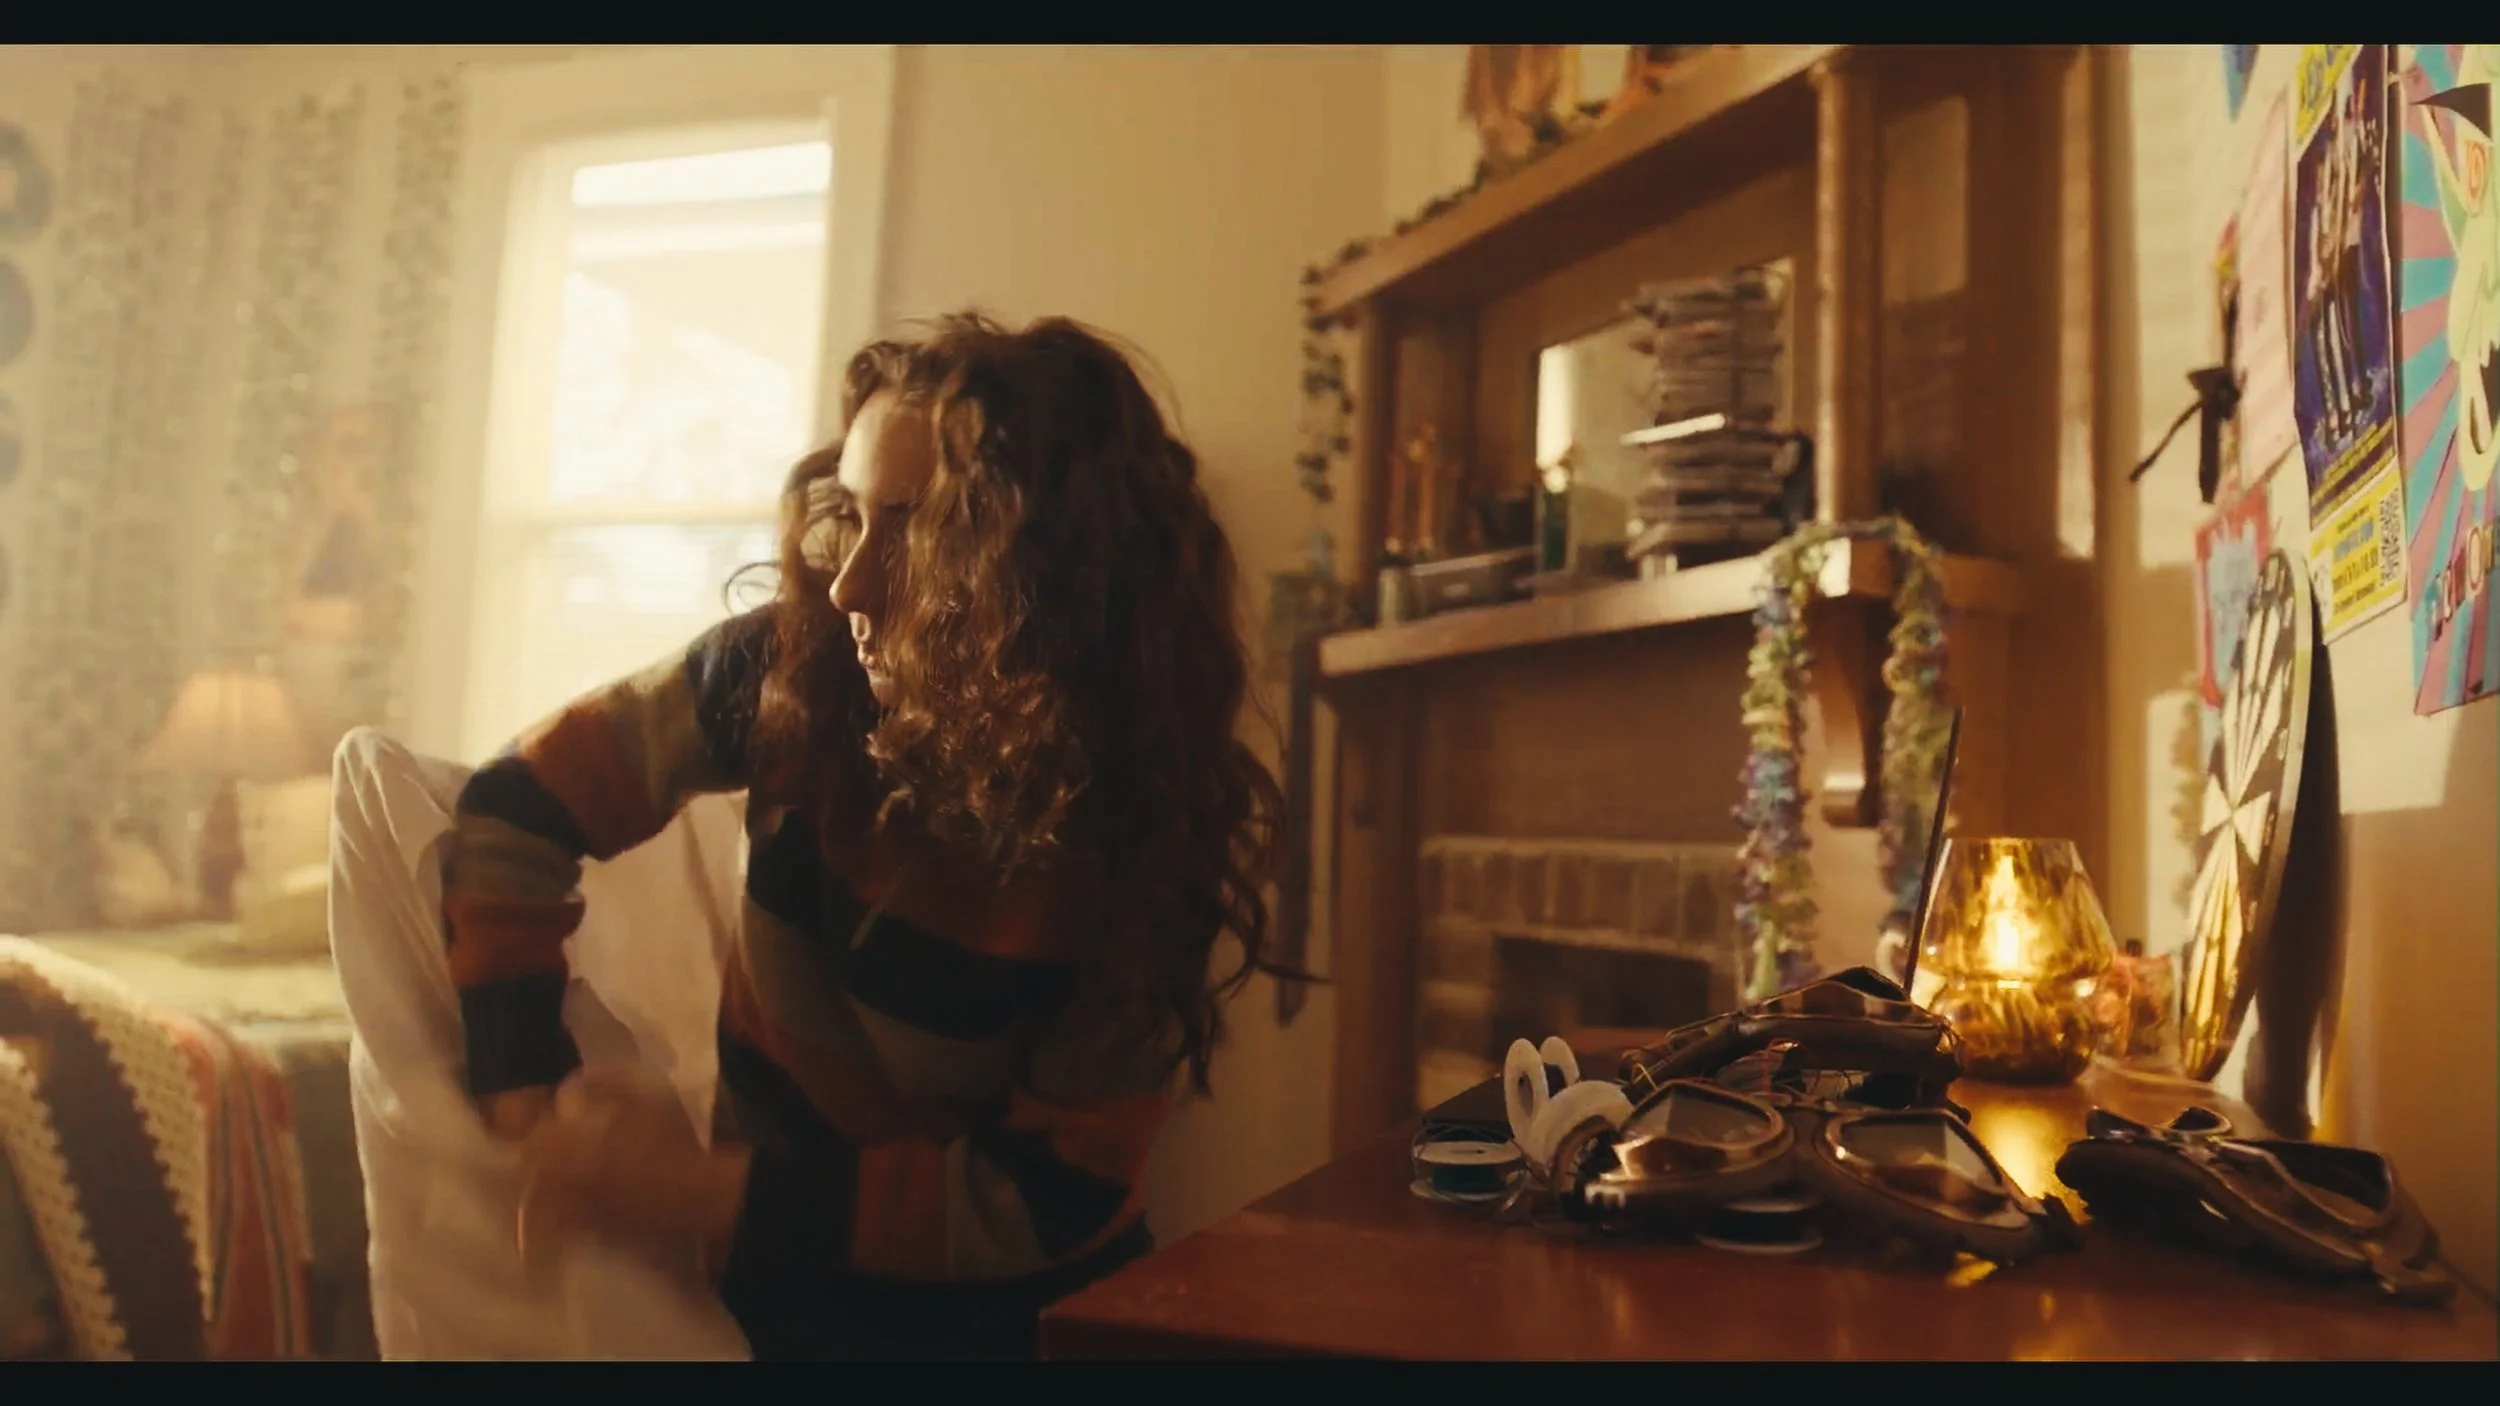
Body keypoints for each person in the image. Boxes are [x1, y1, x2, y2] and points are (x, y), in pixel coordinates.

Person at [423, 311, 1287, 1359]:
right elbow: (520, 802)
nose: (850, 585)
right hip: (770, 1302)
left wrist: (697, 1186)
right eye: (857, 517)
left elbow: (1050, 1200)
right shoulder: (794, 672)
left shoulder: (1138, 833)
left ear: (1051, 570)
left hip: (1026, 1325)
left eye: (919, 531)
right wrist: (528, 1098)